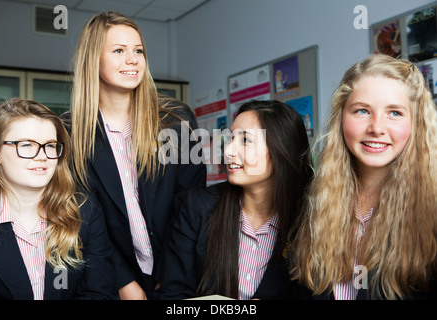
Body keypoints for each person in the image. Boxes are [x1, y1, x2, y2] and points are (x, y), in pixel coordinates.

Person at [63, 11, 206, 300]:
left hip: (178, 275)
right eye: (119, 50)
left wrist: (171, 276)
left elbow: (191, 203)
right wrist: (124, 284)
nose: (133, 60)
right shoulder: (69, 133)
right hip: (108, 278)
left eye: (138, 51)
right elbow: (83, 220)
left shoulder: (176, 121)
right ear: (93, 59)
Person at [290, 54, 437, 300]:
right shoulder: (316, 200)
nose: (377, 127)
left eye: (395, 113)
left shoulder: (432, 209)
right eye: (362, 110)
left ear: (416, 123)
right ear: (341, 118)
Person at [157, 100, 313, 300]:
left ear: (280, 151)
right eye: (230, 138)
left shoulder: (308, 220)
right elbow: (172, 296)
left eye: (245, 140)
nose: (229, 150)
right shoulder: (197, 207)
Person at [0, 98, 116, 300]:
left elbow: (99, 294)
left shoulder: (84, 210)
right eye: (26, 145)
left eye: (50, 145)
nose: (42, 156)